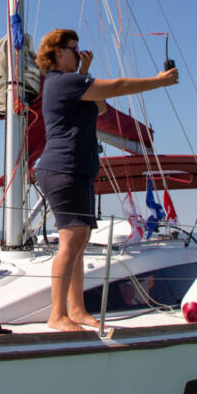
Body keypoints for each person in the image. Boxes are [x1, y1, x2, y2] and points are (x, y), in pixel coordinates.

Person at [34, 29, 178, 332]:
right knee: (71, 241)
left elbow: (100, 107)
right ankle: (56, 314)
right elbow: (118, 86)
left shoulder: (74, 83)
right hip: (63, 168)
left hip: (79, 169)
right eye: (75, 49)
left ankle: (76, 309)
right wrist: (159, 81)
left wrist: (85, 71)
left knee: (81, 240)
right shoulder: (62, 82)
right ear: (58, 53)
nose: (80, 53)